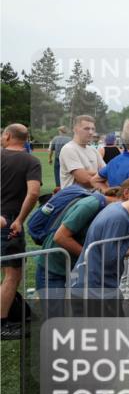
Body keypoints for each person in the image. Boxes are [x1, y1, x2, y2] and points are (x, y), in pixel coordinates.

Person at [70, 182, 129, 297]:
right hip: (95, 287)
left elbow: (110, 249)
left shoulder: (117, 207)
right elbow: (109, 258)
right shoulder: (119, 218)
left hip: (95, 283)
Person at [1, 124, 42, 340]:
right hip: (9, 224)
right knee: (12, 275)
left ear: (7, 136)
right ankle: (2, 323)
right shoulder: (31, 161)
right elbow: (34, 192)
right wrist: (19, 219)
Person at [59, 115, 105, 190]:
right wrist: (101, 175)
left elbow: (107, 172)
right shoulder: (69, 149)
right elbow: (84, 180)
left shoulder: (93, 150)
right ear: (75, 129)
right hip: (74, 198)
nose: (91, 132)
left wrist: (91, 173)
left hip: (93, 197)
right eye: (86, 129)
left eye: (93, 129)